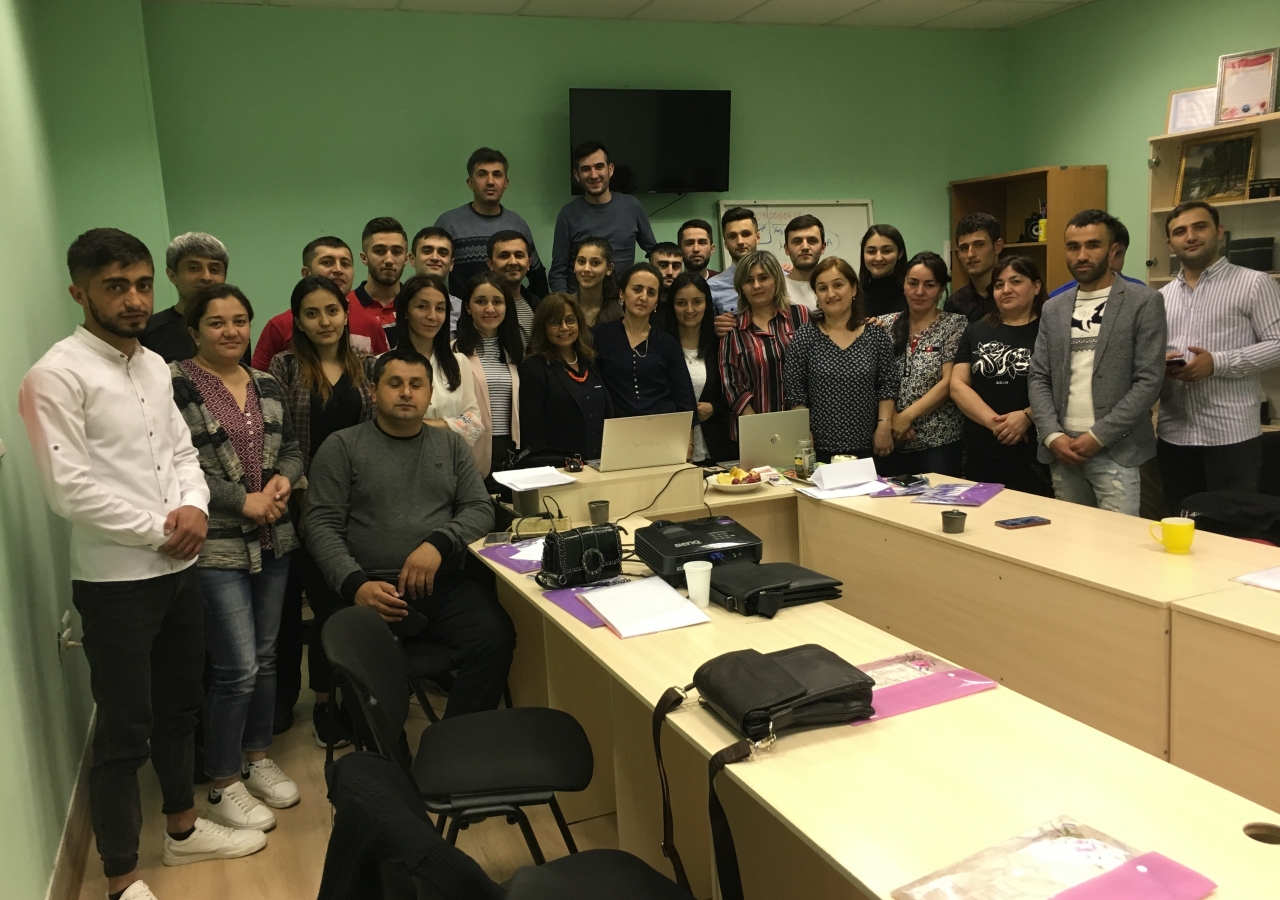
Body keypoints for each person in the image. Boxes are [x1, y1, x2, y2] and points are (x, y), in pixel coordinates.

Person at [19, 229, 264, 900]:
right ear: (80, 292)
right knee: (124, 727)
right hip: (115, 582)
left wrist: (195, 510)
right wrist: (164, 529)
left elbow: (184, 456)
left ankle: (183, 830)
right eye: (114, 286)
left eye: (141, 284)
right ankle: (122, 876)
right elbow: (69, 489)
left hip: (177, 570)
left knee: (181, 705)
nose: (132, 299)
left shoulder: (157, 364)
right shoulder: (55, 375)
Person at [304, 346, 515, 719]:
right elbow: (320, 526)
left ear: (429, 395)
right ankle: (391, 762)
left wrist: (437, 544)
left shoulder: (450, 444)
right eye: (395, 383)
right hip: (370, 590)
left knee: (495, 637)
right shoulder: (342, 447)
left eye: (416, 385)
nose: (406, 392)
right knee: (367, 674)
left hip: (442, 585)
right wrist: (355, 586)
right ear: (373, 391)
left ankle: (455, 742)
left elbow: (480, 508)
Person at [169, 284, 304, 832]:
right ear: (195, 330)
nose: (231, 331)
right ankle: (222, 782)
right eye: (218, 322)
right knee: (236, 668)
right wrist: (241, 500)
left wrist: (282, 481)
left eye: (240, 321)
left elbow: (292, 449)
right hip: (217, 544)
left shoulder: (266, 382)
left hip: (274, 538)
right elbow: (178, 464)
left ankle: (256, 757)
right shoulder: (176, 383)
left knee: (268, 658)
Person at [267, 275, 378, 749]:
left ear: (345, 313)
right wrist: (302, 494)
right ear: (299, 321)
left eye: (331, 310)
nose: (324, 321)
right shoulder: (284, 367)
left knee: (346, 603)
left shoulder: (368, 365)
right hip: (301, 503)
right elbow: (279, 440)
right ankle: (308, 701)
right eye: (311, 313)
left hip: (359, 505)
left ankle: (350, 698)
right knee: (308, 605)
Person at [1028, 210, 1167, 516]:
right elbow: (1038, 376)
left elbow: (1149, 381)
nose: (1082, 255)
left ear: (1112, 249)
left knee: (1116, 549)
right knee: (1071, 545)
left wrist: (1098, 436)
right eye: (1073, 246)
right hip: (1062, 449)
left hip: (1116, 449)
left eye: (1092, 245)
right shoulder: (1054, 308)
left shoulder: (1143, 302)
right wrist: (1052, 435)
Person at [1157, 201, 1280, 510]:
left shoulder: (1254, 283)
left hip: (1231, 435)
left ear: (1219, 232)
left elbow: (1277, 344)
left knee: (1231, 534)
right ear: (1170, 242)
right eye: (1180, 231)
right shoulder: (1161, 297)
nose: (1190, 236)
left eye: (1200, 227)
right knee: (1179, 527)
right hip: (1175, 434)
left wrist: (1217, 363)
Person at [950, 256, 1052, 496]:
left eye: (1016, 281)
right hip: (980, 449)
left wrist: (1027, 416)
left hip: (1033, 451)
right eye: (999, 284)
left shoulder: (1050, 330)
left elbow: (1061, 385)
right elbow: (958, 384)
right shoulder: (976, 329)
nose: (1006, 290)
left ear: (1036, 286)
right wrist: (996, 424)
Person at [785, 258, 898, 462]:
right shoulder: (804, 336)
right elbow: (795, 390)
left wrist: (884, 424)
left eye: (838, 285)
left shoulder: (876, 335)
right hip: (819, 448)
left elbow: (887, 385)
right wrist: (803, 434)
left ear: (854, 289)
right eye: (822, 288)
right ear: (816, 295)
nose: (831, 294)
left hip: (870, 446)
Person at [873, 252, 967, 478]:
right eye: (912, 283)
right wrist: (893, 418)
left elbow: (949, 382)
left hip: (938, 443)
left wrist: (907, 417)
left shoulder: (955, 324)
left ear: (942, 288)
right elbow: (873, 378)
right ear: (903, 284)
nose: (919, 292)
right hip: (891, 438)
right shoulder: (883, 324)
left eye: (929, 285)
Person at [251, 236, 388, 371]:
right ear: (306, 273)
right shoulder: (279, 326)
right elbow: (259, 383)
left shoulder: (371, 324)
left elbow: (383, 377)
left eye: (345, 264)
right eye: (327, 262)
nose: (338, 270)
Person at [434, 147, 549, 300]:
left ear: (505, 183)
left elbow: (538, 277)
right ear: (470, 183)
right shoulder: (449, 223)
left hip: (509, 316)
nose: (490, 182)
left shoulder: (517, 224)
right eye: (482, 174)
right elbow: (431, 275)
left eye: (497, 175)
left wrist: (533, 311)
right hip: (462, 316)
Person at [719, 250, 810, 440]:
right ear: (740, 287)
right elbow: (731, 384)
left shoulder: (801, 316)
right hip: (753, 432)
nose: (756, 286)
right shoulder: (733, 328)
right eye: (748, 280)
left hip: (803, 427)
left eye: (763, 278)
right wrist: (759, 429)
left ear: (776, 279)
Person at [592, 263, 696, 420]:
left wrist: (688, 441)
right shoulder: (599, 336)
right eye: (637, 289)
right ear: (622, 293)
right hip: (616, 431)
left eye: (651, 292)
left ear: (656, 302)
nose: (643, 297)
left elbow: (684, 398)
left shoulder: (668, 343)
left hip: (664, 429)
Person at [550, 140, 656, 292]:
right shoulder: (568, 214)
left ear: (610, 169)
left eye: (599, 167)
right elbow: (558, 271)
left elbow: (654, 251)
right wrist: (567, 307)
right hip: (581, 304)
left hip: (622, 303)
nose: (594, 175)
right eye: (586, 169)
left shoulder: (632, 206)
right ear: (577, 176)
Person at [393, 273, 484, 448]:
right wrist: (453, 424)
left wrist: (419, 426)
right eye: (422, 306)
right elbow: (388, 425)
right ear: (405, 311)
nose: (433, 316)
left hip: (450, 461)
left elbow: (474, 423)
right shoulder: (384, 363)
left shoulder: (458, 362)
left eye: (440, 308)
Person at [518, 293, 613, 460]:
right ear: (543, 327)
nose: (564, 327)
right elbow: (534, 436)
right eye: (555, 322)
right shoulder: (533, 369)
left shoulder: (589, 362)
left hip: (600, 464)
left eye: (570, 320)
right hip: (560, 470)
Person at [454, 272, 524, 477]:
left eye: (497, 301)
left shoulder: (517, 354)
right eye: (481, 301)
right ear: (467, 307)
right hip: (469, 449)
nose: (490, 309)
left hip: (510, 451)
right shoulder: (453, 354)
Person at [664, 272, 737, 464]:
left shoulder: (719, 343)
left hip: (716, 448)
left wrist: (714, 407)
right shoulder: (661, 346)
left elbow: (733, 389)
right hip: (671, 447)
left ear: (707, 304)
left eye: (697, 301)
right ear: (671, 306)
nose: (689, 309)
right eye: (681, 303)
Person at [142, 232, 244, 363]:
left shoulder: (236, 331)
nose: (206, 277)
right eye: (194, 268)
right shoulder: (150, 331)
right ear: (172, 275)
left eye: (214, 269)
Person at [350, 217, 409, 348]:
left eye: (396, 252)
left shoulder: (417, 305)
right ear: (364, 258)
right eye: (379, 251)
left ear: (406, 259)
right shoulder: (344, 307)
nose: (389, 259)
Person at [1048, 218, 1144, 298]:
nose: (1111, 260)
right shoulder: (1056, 299)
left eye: (1118, 254)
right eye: (1074, 247)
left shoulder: (1141, 295)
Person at [944, 213, 1003, 322]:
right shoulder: (954, 303)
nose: (970, 254)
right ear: (958, 254)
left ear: (997, 246)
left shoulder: (1013, 295)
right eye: (964, 248)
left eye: (979, 245)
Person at [408, 226, 465, 336]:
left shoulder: (463, 310)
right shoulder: (397, 304)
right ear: (412, 259)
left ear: (451, 264)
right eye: (427, 251)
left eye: (443, 253)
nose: (435, 257)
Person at [708, 207, 761, 317]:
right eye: (732, 236)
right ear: (726, 243)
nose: (740, 241)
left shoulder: (780, 278)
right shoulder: (712, 287)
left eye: (746, 234)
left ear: (757, 237)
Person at [488, 230, 540, 340]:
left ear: (529, 263)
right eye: (504, 256)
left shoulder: (537, 306)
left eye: (519, 255)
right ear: (490, 264)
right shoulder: (481, 307)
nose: (513, 262)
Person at [571, 236, 622, 327]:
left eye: (595, 263)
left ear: (609, 268)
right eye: (581, 262)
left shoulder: (622, 310)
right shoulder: (563, 307)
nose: (586, 269)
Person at [859, 224, 909, 318]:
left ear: (900, 253)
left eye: (886, 251)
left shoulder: (911, 294)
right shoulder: (854, 297)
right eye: (871, 251)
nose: (878, 258)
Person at [781, 215, 825, 312]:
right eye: (797, 241)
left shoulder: (833, 289)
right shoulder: (776, 289)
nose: (805, 247)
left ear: (823, 247)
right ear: (787, 249)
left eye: (812, 241)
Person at [648, 241, 684, 332]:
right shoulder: (641, 302)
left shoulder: (687, 305)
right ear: (650, 266)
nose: (670, 272)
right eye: (663, 265)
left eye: (676, 266)